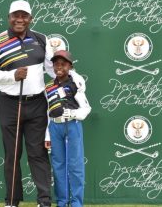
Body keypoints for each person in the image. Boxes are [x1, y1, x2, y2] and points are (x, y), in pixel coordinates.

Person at [0, 0, 85, 207]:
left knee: (38, 153)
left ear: (31, 19)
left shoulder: (40, 39)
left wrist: (73, 76)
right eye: (15, 15)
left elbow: (52, 68)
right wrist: (12, 75)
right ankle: (12, 201)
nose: (19, 19)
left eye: (24, 16)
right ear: (9, 17)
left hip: (37, 103)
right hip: (9, 105)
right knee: (12, 154)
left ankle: (44, 200)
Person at [44, 50, 91, 207]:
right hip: (55, 126)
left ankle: (77, 202)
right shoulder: (49, 86)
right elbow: (47, 112)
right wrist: (46, 135)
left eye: (63, 64)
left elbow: (86, 109)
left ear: (70, 66)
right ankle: (62, 202)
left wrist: (69, 112)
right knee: (58, 165)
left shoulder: (75, 83)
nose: (59, 67)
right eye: (56, 64)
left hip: (72, 124)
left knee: (75, 165)